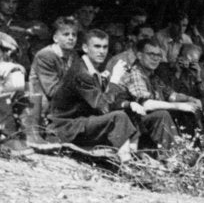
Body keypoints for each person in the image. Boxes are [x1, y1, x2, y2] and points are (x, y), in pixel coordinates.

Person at [47, 29, 175, 163]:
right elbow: (103, 107)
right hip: (68, 126)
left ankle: (171, 159)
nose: (102, 51)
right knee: (120, 117)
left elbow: (108, 101)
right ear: (85, 48)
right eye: (97, 46)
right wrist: (114, 80)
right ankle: (128, 163)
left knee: (151, 114)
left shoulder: (94, 68)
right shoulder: (81, 72)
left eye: (105, 47)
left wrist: (128, 104)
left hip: (87, 121)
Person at [28, 16, 79, 117]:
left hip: (64, 106)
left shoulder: (74, 55)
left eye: (74, 35)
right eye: (66, 34)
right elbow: (53, 92)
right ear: (55, 38)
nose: (71, 38)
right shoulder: (45, 55)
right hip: (44, 111)